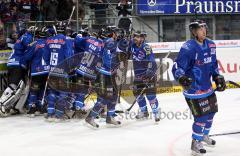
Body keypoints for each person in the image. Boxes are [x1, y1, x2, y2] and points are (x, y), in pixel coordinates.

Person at [172, 20, 226, 155]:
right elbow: (177, 66)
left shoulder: (211, 45)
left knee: (212, 112)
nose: (203, 31)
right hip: (194, 90)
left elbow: (213, 65)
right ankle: (195, 142)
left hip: (207, 87)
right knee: (201, 117)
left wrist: (217, 77)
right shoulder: (188, 48)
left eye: (204, 28)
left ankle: (204, 136)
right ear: (194, 32)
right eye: (199, 29)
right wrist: (181, 77)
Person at [85, 26, 129, 128]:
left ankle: (109, 117)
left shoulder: (103, 42)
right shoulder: (110, 42)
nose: (117, 35)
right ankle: (90, 117)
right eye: (115, 33)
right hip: (103, 74)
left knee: (113, 95)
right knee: (106, 97)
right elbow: (109, 60)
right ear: (111, 33)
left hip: (105, 73)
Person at [0, 25, 37, 116]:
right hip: (18, 64)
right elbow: (29, 52)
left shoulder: (22, 37)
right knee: (14, 86)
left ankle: (15, 107)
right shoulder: (27, 37)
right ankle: (1, 104)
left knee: (22, 87)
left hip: (14, 63)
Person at [130, 30, 160, 122]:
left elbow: (151, 61)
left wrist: (150, 72)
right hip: (138, 76)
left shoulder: (146, 47)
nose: (135, 38)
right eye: (134, 36)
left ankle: (156, 112)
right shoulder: (132, 46)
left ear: (142, 38)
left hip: (148, 75)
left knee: (150, 95)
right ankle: (144, 112)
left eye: (138, 37)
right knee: (137, 94)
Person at [22, 26, 49, 117]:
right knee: (43, 89)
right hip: (47, 71)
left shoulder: (34, 44)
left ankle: (32, 108)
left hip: (36, 71)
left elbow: (27, 57)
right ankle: (42, 107)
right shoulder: (49, 43)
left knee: (34, 90)